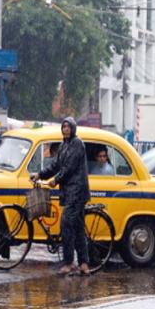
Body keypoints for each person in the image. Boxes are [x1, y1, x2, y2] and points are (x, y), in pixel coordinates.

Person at [30, 117, 91, 276]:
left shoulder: (77, 144)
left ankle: (69, 262)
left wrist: (55, 180)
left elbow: (69, 167)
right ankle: (84, 263)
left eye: (68, 127)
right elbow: (56, 166)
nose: (65, 129)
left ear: (73, 128)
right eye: (63, 126)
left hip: (77, 192)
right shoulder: (63, 145)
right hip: (68, 191)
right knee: (78, 228)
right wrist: (40, 175)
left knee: (65, 224)